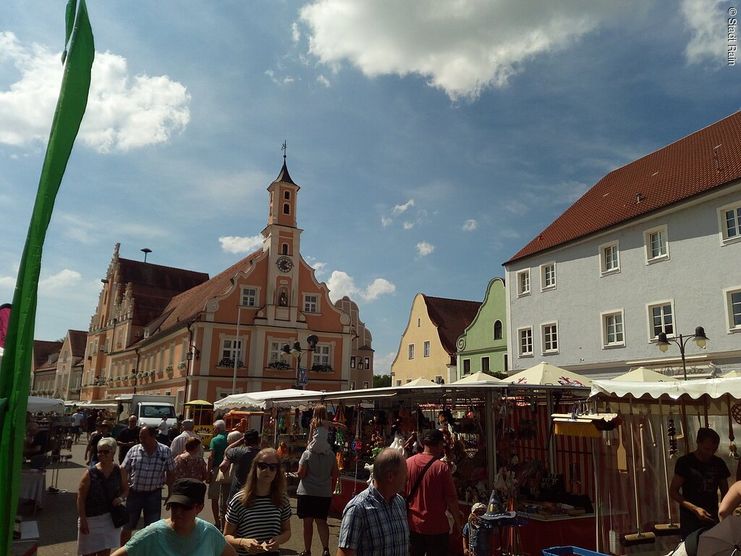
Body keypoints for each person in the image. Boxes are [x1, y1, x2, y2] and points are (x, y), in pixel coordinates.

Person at [111, 478, 236, 556]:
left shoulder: (209, 533)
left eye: (185, 507)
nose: (178, 512)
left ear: (199, 508)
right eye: (174, 506)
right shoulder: (153, 534)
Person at [337, 448, 409, 556]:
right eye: (404, 474)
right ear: (390, 477)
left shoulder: (399, 502)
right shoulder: (357, 509)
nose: (407, 478)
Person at [406, 428, 464, 556]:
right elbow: (451, 499)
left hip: (413, 525)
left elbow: (401, 492)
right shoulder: (441, 468)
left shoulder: (408, 463)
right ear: (439, 444)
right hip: (437, 527)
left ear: (422, 444)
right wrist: (458, 524)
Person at [224, 448, 291, 556]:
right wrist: (243, 542)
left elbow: (287, 531)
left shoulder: (282, 499)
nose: (267, 471)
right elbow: (226, 536)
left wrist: (278, 540)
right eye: (263, 466)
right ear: (255, 468)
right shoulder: (239, 499)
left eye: (272, 467)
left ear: (277, 471)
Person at [669, 427, 730, 539]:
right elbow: (673, 491)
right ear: (698, 443)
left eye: (714, 450)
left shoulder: (719, 463)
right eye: (706, 449)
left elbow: (726, 492)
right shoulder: (685, 463)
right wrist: (695, 509)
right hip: (690, 520)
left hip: (712, 518)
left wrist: (724, 510)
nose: (710, 453)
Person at [121, 425, 175, 544]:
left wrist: (171, 493)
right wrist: (125, 488)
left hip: (153, 495)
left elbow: (171, 473)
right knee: (127, 526)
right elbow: (123, 469)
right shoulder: (134, 450)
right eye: (140, 437)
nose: (141, 440)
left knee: (152, 529)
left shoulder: (165, 451)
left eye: (144, 437)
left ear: (153, 436)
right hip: (134, 494)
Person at [77, 437, 129, 556]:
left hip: (110, 519)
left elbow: (126, 490)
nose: (101, 454)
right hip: (91, 520)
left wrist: (120, 499)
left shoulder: (119, 470)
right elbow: (81, 498)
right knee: (87, 553)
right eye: (99, 451)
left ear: (113, 453)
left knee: (105, 552)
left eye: (105, 452)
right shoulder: (90, 473)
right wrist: (83, 520)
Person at [297, 420, 339, 556]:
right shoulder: (331, 455)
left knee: (307, 523)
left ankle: (307, 550)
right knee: (322, 521)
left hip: (307, 492)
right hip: (323, 493)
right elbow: (335, 474)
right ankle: (326, 549)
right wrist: (330, 490)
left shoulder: (307, 454)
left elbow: (301, 474)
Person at [220, 429, 261, 502]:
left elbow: (223, 466)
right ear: (258, 440)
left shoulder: (236, 451)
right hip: (257, 493)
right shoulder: (264, 454)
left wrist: (239, 441)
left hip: (237, 492)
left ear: (245, 440)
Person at [207, 420, 230, 529]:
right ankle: (226, 522)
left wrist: (208, 473)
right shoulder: (230, 438)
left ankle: (217, 521)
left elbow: (211, 457)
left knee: (214, 497)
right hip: (229, 469)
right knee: (227, 497)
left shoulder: (215, 440)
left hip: (217, 469)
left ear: (217, 428)